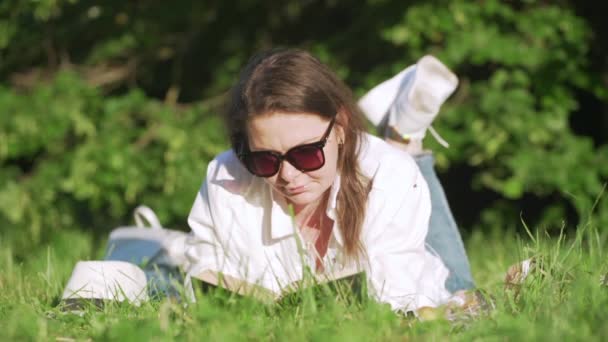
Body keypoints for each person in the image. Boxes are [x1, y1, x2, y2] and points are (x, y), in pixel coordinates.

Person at [184, 48, 476, 315]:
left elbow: (397, 297)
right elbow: (205, 276)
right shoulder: (225, 175)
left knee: (459, 279)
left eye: (306, 153)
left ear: (340, 127)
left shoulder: (389, 173)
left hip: (428, 286)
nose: (288, 175)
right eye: (265, 159)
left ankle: (404, 133)